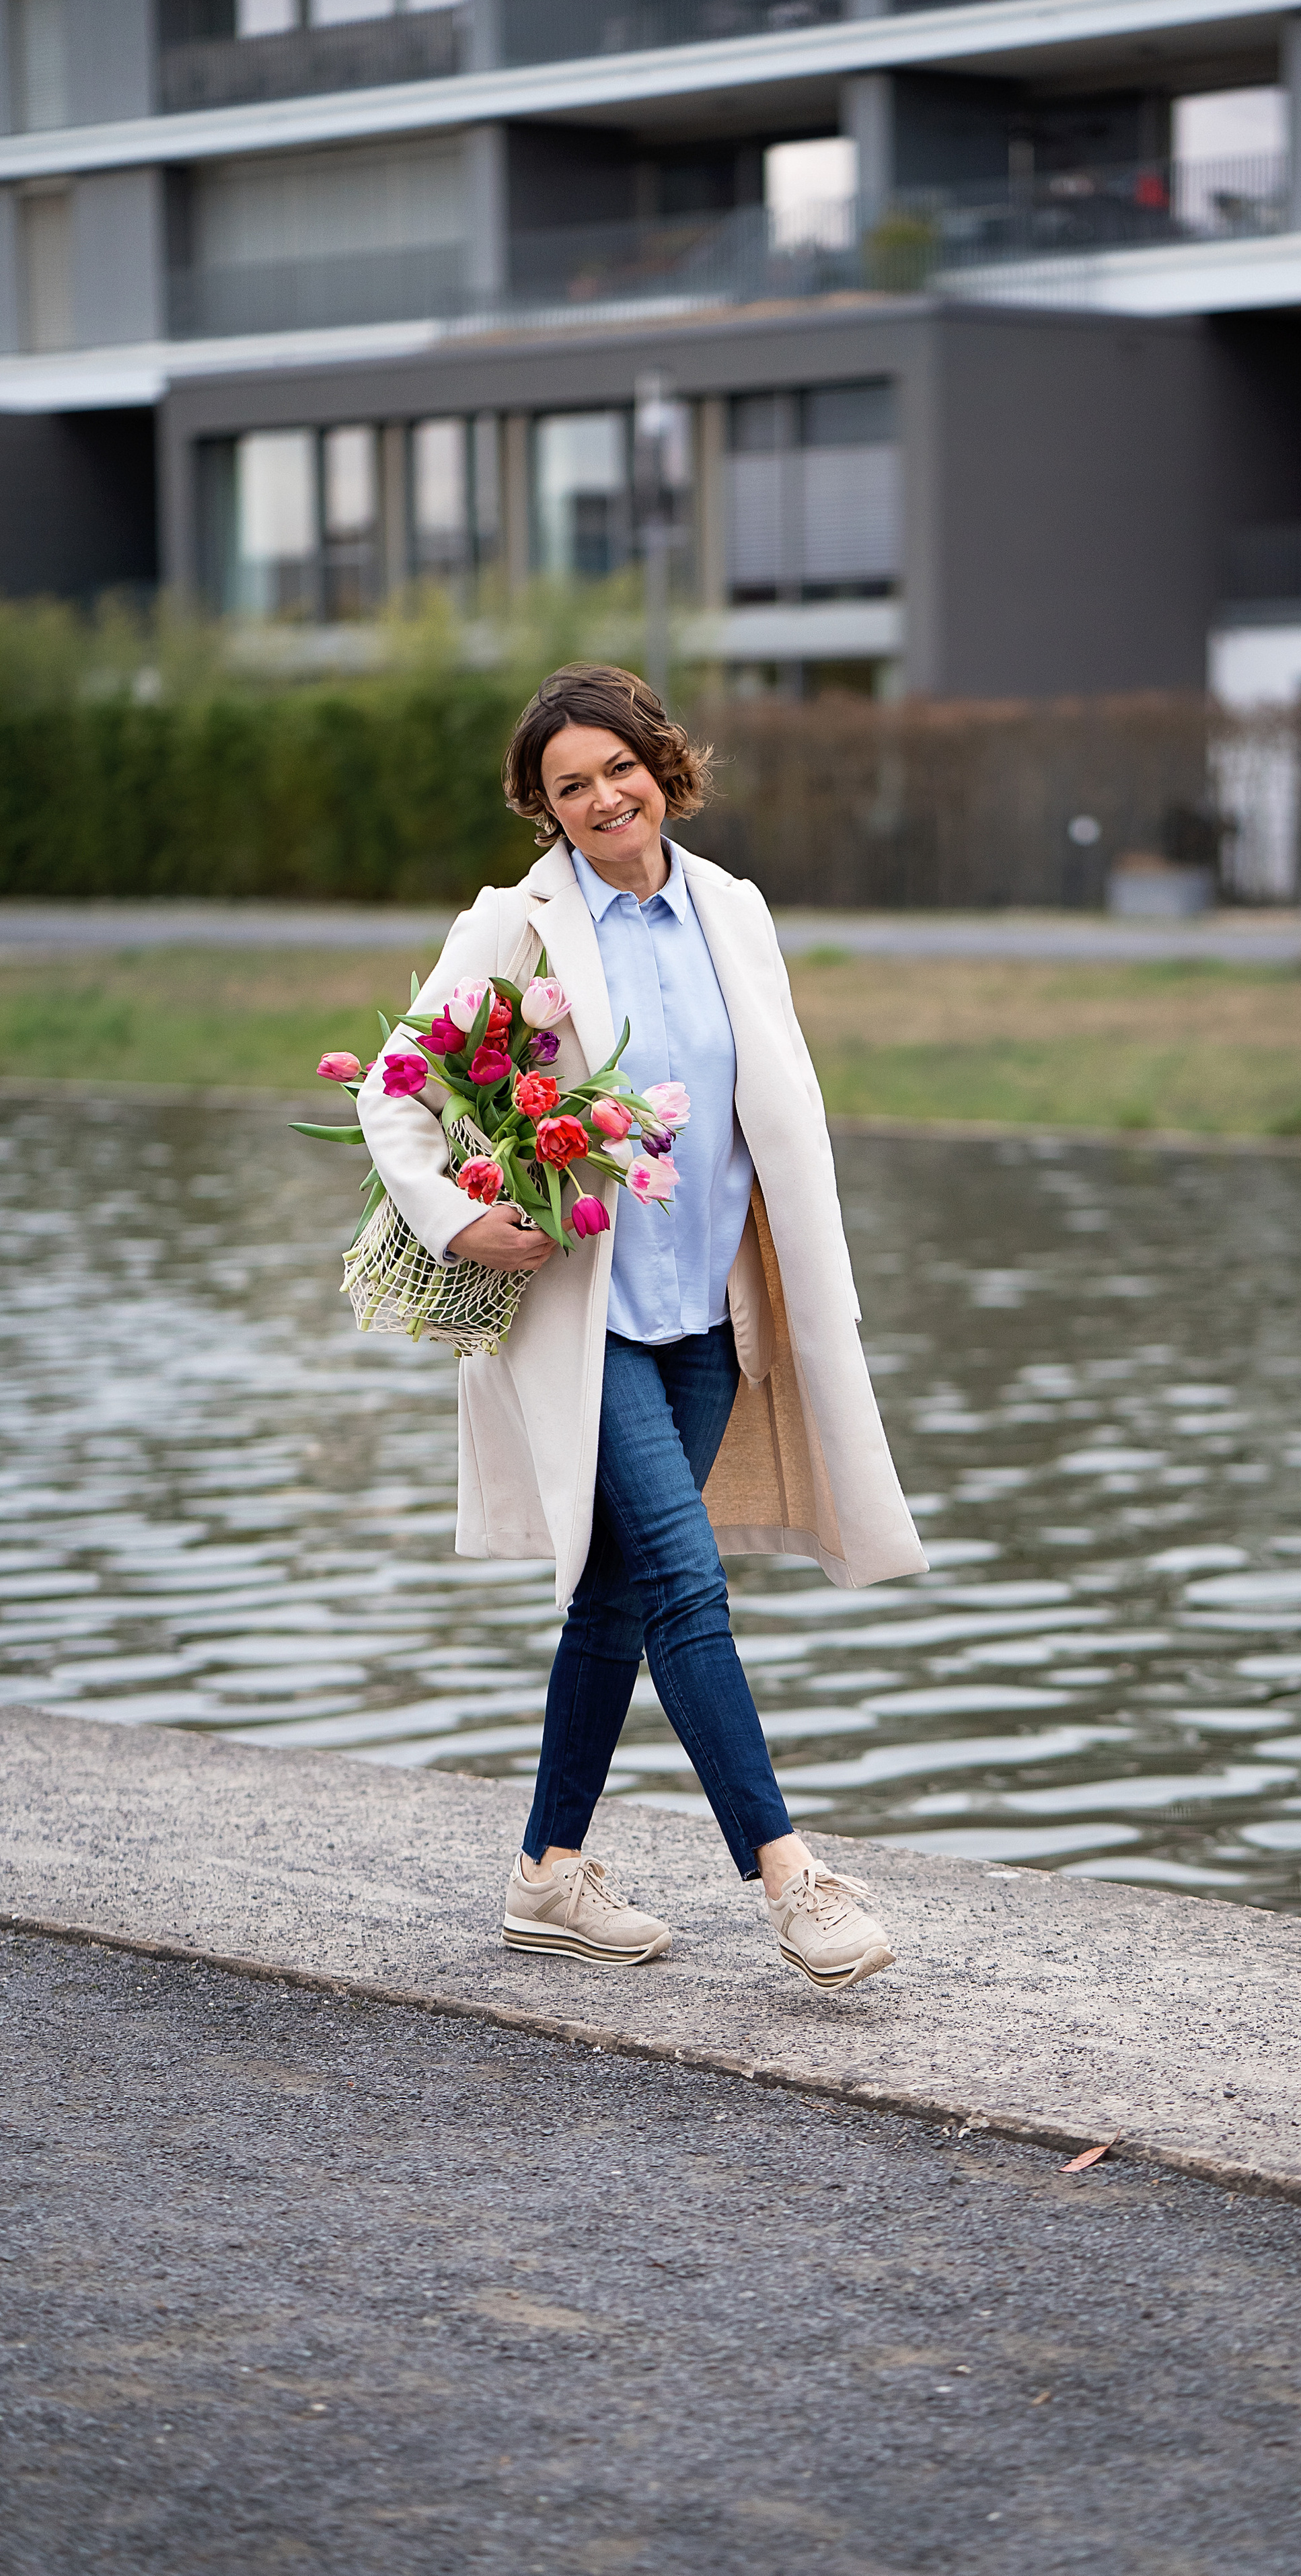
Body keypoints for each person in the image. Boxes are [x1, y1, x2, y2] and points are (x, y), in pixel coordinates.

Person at [357, 663, 925, 1989]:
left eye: (617, 767)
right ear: (543, 810)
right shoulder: (515, 928)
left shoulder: (731, 908)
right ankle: (790, 1880)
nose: (600, 797)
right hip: (582, 1317)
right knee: (681, 1582)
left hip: (709, 1315)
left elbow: (771, 1109)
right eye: (569, 786)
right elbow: (398, 1082)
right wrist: (453, 1215)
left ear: (660, 765)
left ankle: (548, 1877)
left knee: (615, 1597)